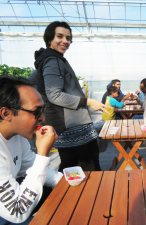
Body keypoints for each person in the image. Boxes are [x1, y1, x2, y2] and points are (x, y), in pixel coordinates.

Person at [32, 21, 106, 172]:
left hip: (65, 126)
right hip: (73, 127)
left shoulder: (51, 59)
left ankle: (71, 195)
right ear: (49, 38)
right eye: (60, 36)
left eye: (68, 38)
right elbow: (54, 95)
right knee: (89, 168)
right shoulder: (53, 61)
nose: (65, 41)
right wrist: (88, 101)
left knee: (70, 167)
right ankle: (94, 195)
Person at [0, 76, 62, 224]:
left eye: (43, 110)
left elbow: (31, 166)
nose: (43, 118)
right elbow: (17, 211)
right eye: (36, 112)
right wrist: (43, 154)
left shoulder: (17, 137)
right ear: (6, 114)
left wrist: (64, 181)